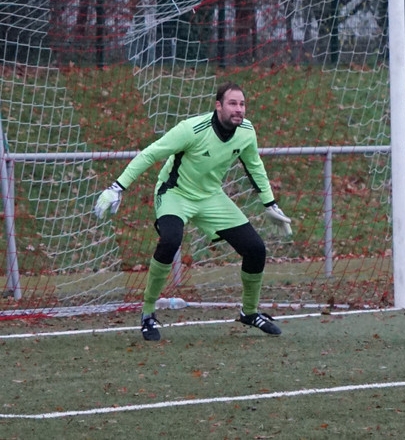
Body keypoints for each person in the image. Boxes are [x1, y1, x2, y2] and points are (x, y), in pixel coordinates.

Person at [93, 82, 292, 341]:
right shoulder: (191, 129)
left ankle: (250, 312)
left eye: (242, 104)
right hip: (175, 193)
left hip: (211, 197)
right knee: (170, 241)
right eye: (232, 103)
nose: (239, 109)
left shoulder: (246, 131)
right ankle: (148, 313)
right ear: (218, 105)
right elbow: (151, 154)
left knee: (255, 249)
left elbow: (255, 166)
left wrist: (270, 203)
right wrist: (117, 187)